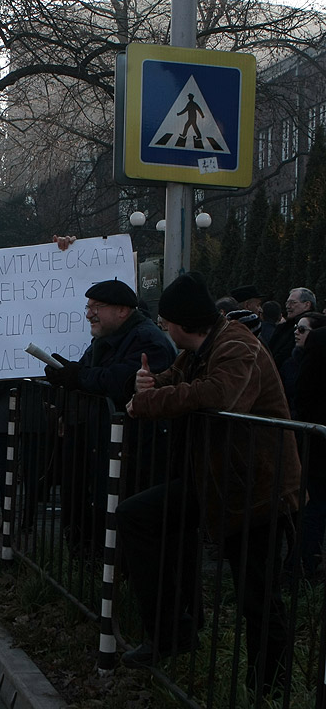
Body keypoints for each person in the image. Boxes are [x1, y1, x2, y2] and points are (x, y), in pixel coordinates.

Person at [120, 272, 301, 692]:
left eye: (167, 322)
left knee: (258, 598)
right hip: (216, 481)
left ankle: (270, 687)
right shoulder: (202, 346)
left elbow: (220, 394)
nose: (163, 328)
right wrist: (147, 383)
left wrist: (148, 402)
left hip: (258, 492)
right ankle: (171, 632)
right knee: (138, 516)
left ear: (183, 323)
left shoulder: (236, 345)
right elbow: (175, 379)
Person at [44, 278, 176, 548]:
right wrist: (66, 372)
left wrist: (77, 377)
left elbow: (119, 379)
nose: (89, 313)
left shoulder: (148, 340)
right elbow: (89, 372)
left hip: (137, 448)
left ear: (122, 310)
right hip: (106, 443)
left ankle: (118, 573)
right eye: (88, 306)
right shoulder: (106, 338)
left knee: (124, 512)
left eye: (97, 306)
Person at [294, 322, 326, 579]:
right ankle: (306, 565)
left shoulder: (317, 341)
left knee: (313, 504)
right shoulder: (318, 340)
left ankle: (306, 566)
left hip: (316, 440)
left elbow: (303, 392)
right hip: (317, 440)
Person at [268, 287, 316, 372]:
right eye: (287, 303)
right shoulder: (286, 325)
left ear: (307, 305)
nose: (288, 306)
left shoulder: (311, 325)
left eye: (293, 303)